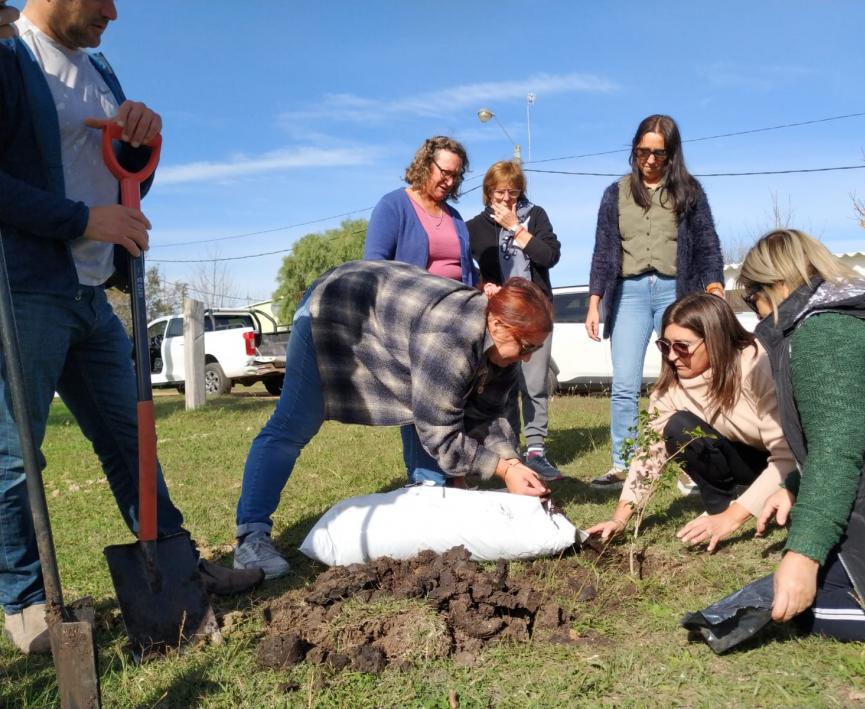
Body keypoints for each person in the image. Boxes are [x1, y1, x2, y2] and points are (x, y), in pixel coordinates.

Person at [0, 0, 262, 656]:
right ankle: (26, 602)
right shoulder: (9, 54)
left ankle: (173, 560)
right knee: (16, 455)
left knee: (133, 440)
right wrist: (80, 220)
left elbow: (126, 178)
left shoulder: (101, 70)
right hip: (26, 289)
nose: (114, 12)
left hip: (93, 294)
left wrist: (144, 140)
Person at [233, 260, 552, 579]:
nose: (527, 357)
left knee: (429, 420)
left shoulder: (505, 342)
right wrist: (502, 469)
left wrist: (513, 463)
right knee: (294, 424)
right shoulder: (448, 338)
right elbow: (441, 434)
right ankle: (251, 537)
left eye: (535, 349)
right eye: (525, 346)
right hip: (334, 306)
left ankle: (429, 494)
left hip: (393, 322)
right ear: (496, 324)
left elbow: (492, 413)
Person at [741, 229, 865, 650]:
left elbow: (837, 449)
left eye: (751, 298)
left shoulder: (823, 332)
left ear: (774, 286)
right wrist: (795, 486)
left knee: (813, 601)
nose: (755, 312)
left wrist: (802, 556)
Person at [585, 293, 794, 549]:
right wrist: (619, 519)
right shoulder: (670, 389)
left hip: (793, 460)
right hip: (747, 459)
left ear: (714, 340)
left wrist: (733, 519)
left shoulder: (757, 365)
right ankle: (718, 506)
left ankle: (740, 509)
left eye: (682, 346)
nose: (672, 357)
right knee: (678, 426)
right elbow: (650, 453)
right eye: (665, 346)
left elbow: (788, 456)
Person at [585, 115, 724, 490]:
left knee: (684, 378)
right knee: (625, 383)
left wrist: (714, 286)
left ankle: (688, 464)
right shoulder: (614, 193)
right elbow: (603, 251)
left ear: (671, 155)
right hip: (628, 293)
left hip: (675, 293)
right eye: (643, 152)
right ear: (634, 150)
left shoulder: (689, 192)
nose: (649, 160)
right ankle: (623, 464)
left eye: (658, 154)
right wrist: (594, 301)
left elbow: (708, 244)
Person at [363, 136, 477, 487]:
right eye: (445, 172)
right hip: (413, 328)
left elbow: (465, 269)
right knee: (420, 406)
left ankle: (455, 476)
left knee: (454, 404)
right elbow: (374, 268)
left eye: (456, 176)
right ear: (426, 164)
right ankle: (427, 483)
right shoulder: (394, 206)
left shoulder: (455, 218)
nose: (450, 181)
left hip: (456, 325)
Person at [468, 160, 563, 482]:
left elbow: (549, 257)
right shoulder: (473, 227)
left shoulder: (535, 216)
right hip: (499, 315)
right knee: (502, 386)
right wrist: (484, 286)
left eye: (513, 192)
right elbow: (466, 270)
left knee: (534, 384)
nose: (508, 199)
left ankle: (536, 451)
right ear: (487, 193)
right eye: (500, 192)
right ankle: (509, 452)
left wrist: (516, 228)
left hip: (535, 311)